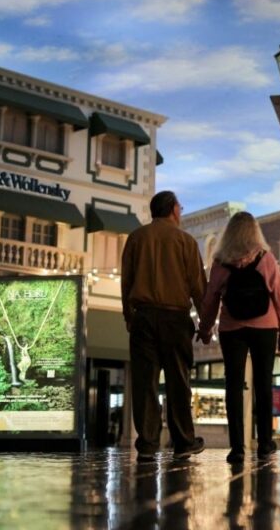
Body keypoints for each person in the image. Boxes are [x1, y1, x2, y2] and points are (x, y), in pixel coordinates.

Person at [197, 211, 280, 464]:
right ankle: (265, 443)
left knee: (234, 385)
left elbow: (210, 299)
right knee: (263, 384)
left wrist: (204, 329)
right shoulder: (266, 258)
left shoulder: (220, 261)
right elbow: (279, 297)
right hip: (265, 327)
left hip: (232, 328)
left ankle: (237, 447)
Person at [121, 191, 207, 462]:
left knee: (145, 381)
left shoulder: (136, 238)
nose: (181, 211)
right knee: (178, 381)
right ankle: (183, 441)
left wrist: (129, 315)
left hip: (143, 317)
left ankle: (147, 443)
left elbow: (127, 281)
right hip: (175, 317)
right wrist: (205, 322)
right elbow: (197, 285)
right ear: (172, 209)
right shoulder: (186, 241)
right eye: (180, 207)